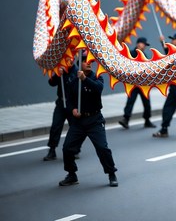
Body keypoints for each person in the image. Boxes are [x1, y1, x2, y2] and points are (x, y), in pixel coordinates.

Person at [59, 51, 118, 187]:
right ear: (80, 64)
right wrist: (73, 109)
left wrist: (85, 79)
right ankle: (72, 174)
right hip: (79, 122)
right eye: (86, 61)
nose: (89, 63)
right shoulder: (74, 81)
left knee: (102, 148)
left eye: (91, 62)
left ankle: (111, 173)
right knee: (67, 148)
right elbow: (69, 100)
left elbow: (98, 89)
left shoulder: (97, 77)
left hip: (94, 120)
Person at [118, 37, 156, 129]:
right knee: (130, 101)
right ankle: (125, 119)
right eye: (144, 44)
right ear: (139, 44)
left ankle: (147, 120)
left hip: (143, 84)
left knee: (146, 103)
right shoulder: (131, 54)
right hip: (134, 83)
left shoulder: (145, 56)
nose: (144, 47)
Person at [43, 61, 74, 161]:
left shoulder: (76, 72)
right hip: (61, 103)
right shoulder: (60, 70)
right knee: (55, 126)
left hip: (72, 104)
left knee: (75, 128)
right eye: (67, 59)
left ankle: (75, 149)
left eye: (71, 59)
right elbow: (51, 83)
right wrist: (57, 74)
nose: (69, 61)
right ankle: (52, 150)